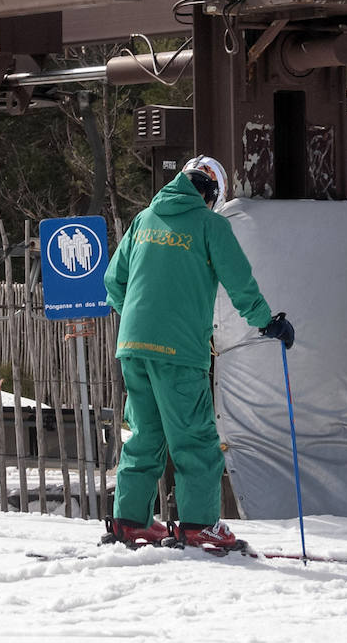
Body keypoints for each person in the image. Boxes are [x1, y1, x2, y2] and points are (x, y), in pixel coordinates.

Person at [103, 155, 295, 550]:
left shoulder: (144, 219)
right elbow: (239, 280)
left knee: (145, 435)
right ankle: (198, 525)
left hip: (133, 345)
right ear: (210, 194)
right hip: (179, 350)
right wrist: (267, 321)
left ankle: (129, 521)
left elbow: (113, 279)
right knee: (196, 438)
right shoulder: (210, 225)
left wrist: (142, 322)